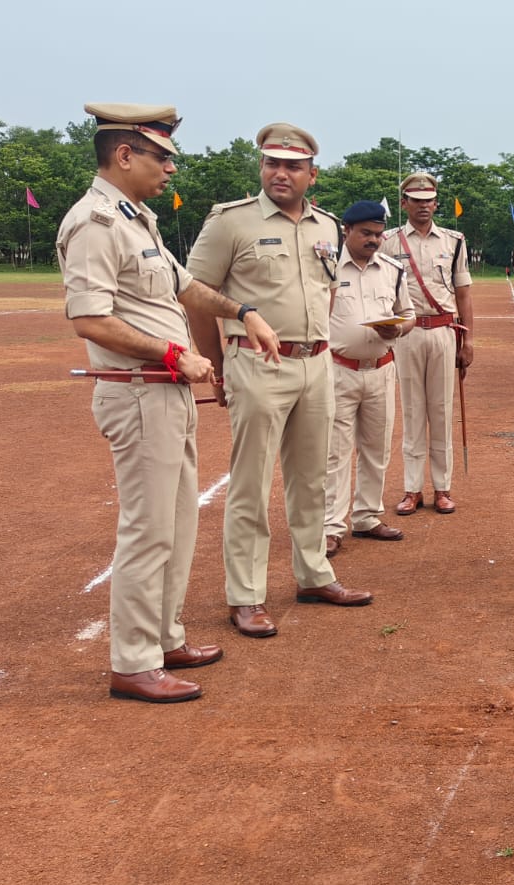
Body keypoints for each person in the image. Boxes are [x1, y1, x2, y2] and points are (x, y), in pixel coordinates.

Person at [61, 103, 278, 702]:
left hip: (165, 393)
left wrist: (244, 312)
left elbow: (182, 284)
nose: (171, 169)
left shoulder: (139, 220)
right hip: (139, 393)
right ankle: (131, 661)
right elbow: (90, 318)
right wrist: (171, 353)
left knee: (179, 524)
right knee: (148, 528)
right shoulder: (95, 224)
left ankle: (162, 636)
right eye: (163, 157)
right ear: (125, 155)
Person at [187, 122, 374, 639]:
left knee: (313, 477)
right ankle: (244, 596)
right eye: (272, 163)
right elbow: (195, 292)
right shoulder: (231, 222)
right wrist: (218, 365)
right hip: (257, 364)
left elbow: (326, 293)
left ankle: (314, 574)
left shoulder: (327, 226)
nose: (280, 173)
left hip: (317, 364)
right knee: (250, 482)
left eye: (293, 165)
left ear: (312, 174)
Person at [379, 172, 475, 517]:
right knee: (412, 411)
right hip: (406, 333)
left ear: (437, 203)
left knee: (441, 411)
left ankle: (442, 488)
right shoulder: (388, 242)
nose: (423, 206)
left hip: (443, 332)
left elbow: (463, 292)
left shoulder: (453, 241)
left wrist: (469, 341)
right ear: (404, 203)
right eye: (415, 200)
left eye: (428, 200)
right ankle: (412, 489)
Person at [324, 201, 414, 558]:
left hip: (381, 367)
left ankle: (366, 516)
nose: (373, 240)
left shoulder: (392, 270)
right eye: (366, 234)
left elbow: (406, 312)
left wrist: (400, 328)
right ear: (347, 231)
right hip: (338, 369)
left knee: (376, 448)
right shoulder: (327, 267)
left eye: (378, 234)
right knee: (336, 451)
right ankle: (331, 525)